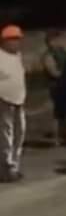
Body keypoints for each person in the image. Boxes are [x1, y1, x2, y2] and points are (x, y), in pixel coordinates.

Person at [42, 29, 66, 147]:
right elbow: (54, 72)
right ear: (51, 41)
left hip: (65, 85)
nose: (60, 42)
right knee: (58, 114)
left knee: (65, 113)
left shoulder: (63, 52)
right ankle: (57, 137)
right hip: (57, 86)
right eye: (57, 39)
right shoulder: (48, 55)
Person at [0, 25, 27, 183]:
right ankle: (6, 166)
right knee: (6, 134)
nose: (17, 43)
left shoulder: (17, 56)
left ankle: (14, 165)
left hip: (19, 100)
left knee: (19, 132)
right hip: (4, 99)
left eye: (18, 39)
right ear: (5, 41)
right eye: (14, 39)